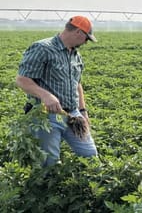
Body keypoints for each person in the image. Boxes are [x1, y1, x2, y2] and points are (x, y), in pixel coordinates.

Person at [16, 15, 98, 166]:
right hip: (46, 115)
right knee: (49, 162)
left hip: (73, 114)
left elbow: (77, 84)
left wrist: (83, 111)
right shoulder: (43, 48)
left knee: (90, 155)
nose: (86, 43)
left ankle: (86, 187)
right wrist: (45, 95)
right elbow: (22, 80)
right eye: (87, 38)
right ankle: (46, 188)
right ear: (78, 32)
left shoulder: (75, 55)